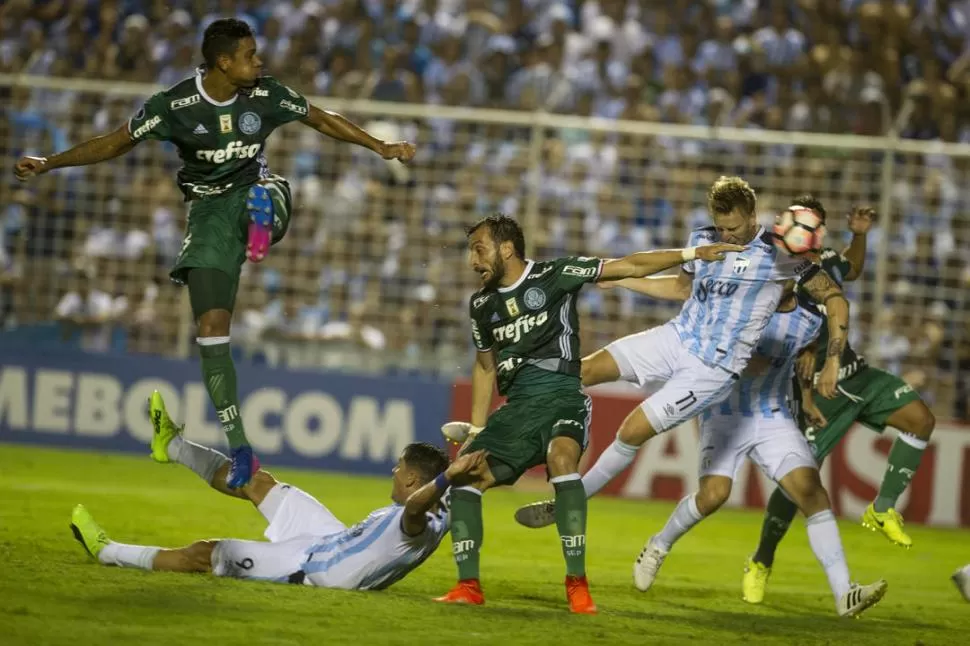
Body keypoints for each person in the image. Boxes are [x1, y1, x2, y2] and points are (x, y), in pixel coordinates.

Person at [14, 19, 415, 489]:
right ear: (223, 61)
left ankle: (261, 224)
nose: (259, 62)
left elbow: (321, 117)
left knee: (264, 193)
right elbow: (117, 141)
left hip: (256, 187)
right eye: (250, 55)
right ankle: (240, 447)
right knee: (210, 331)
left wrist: (379, 146)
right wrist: (50, 163)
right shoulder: (174, 105)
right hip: (207, 216)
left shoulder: (266, 94)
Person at [514, 280, 888, 616]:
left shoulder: (810, 318)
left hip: (772, 415)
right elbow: (725, 347)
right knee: (713, 495)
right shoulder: (744, 303)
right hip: (723, 411)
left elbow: (806, 352)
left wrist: (806, 397)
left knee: (812, 493)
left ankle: (845, 593)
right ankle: (659, 544)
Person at [435, 213, 743, 614]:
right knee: (464, 474)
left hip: (562, 393)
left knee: (562, 459)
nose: (472, 260)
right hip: (517, 407)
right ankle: (468, 585)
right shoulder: (482, 305)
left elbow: (629, 265)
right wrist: (476, 428)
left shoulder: (556, 274)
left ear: (506, 249)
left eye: (478, 249)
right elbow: (483, 367)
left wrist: (691, 253)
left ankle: (577, 585)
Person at [70, 391, 485, 590]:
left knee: (207, 553)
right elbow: (472, 474)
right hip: (328, 538)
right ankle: (173, 445)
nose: (393, 472)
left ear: (415, 481)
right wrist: (469, 447)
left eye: (399, 469)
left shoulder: (413, 520)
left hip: (312, 569)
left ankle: (107, 551)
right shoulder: (449, 507)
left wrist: (447, 476)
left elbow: (417, 507)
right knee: (257, 481)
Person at [742, 204, 937, 604]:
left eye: (817, 225)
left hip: (854, 375)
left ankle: (882, 509)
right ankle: (761, 560)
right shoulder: (784, 273)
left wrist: (860, 235)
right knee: (801, 481)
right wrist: (806, 381)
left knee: (921, 420)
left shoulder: (826, 260)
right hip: (816, 389)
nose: (813, 232)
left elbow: (853, 269)